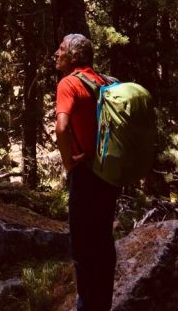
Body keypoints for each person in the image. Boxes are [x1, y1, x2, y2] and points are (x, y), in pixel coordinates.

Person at [55, 32, 120, 311]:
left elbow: (61, 126)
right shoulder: (105, 82)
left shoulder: (69, 83)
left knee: (82, 246)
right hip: (108, 173)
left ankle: (86, 306)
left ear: (72, 56)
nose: (55, 54)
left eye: (60, 50)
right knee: (103, 240)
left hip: (85, 174)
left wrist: (69, 162)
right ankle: (102, 305)